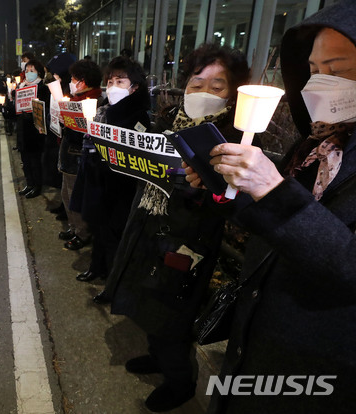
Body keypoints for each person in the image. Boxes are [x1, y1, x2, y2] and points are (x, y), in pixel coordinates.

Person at [183, 4, 356, 413]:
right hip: (257, 337)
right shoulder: (316, 145)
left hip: (325, 369)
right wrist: (224, 188)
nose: (320, 82)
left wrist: (272, 189)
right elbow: (276, 223)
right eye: (313, 68)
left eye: (339, 69)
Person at [100, 44, 249, 412]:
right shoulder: (168, 121)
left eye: (217, 86)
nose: (204, 93)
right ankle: (158, 357)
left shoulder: (236, 138)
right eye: (197, 83)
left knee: (172, 313)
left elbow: (232, 205)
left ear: (233, 93)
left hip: (188, 242)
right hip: (149, 225)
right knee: (144, 300)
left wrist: (208, 188)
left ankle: (179, 381)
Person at [72, 57, 148, 283]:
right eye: (111, 81)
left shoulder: (138, 116)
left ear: (134, 87)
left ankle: (112, 283)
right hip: (97, 180)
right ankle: (97, 267)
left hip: (120, 187)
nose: (113, 87)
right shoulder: (103, 110)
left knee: (114, 234)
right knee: (98, 229)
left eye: (121, 82)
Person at [58, 59, 103, 250]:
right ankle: (73, 227)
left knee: (75, 195)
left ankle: (82, 233)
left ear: (83, 81)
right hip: (69, 154)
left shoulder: (94, 102)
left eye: (74, 79)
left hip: (79, 155)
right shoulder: (75, 100)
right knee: (66, 193)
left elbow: (86, 133)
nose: (71, 82)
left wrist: (69, 122)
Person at [15, 60, 50, 199]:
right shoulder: (21, 86)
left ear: (39, 72)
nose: (29, 73)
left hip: (34, 131)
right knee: (25, 160)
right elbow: (15, 110)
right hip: (22, 129)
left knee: (35, 160)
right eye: (27, 70)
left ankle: (37, 185)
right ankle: (29, 183)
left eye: (32, 70)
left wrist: (31, 115)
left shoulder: (42, 88)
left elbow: (43, 109)